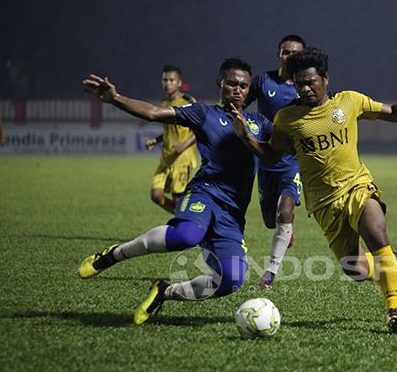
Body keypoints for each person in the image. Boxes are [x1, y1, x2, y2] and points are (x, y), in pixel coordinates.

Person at [233, 47, 397, 333]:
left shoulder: (350, 101)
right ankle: (391, 267)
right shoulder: (287, 119)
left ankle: (394, 311)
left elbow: (395, 112)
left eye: (310, 81)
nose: (304, 88)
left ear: (325, 79)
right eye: (299, 83)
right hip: (324, 203)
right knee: (356, 270)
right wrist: (246, 137)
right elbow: (271, 156)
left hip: (357, 186)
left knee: (377, 235)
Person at [78, 58, 270, 325]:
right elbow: (154, 113)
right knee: (186, 235)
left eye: (244, 86)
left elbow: (277, 155)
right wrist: (115, 98)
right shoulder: (205, 114)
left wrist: (246, 136)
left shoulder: (260, 124)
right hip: (205, 192)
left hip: (233, 213)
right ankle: (114, 254)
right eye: (232, 84)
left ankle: (164, 292)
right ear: (220, 84)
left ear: (250, 90)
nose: (237, 90)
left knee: (231, 280)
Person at [243, 35, 306, 289]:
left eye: (294, 53)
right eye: (285, 52)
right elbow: (241, 106)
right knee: (271, 222)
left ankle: (270, 272)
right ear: (278, 54)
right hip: (265, 158)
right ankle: (286, 228)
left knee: (284, 211)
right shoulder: (263, 80)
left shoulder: (305, 87)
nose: (289, 56)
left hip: (292, 160)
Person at [144, 65, 198, 214]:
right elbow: (170, 130)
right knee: (156, 195)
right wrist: (157, 140)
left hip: (182, 158)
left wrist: (184, 144)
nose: (167, 83)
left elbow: (199, 129)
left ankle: (182, 223)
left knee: (177, 197)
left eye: (171, 80)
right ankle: (183, 219)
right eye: (164, 80)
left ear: (179, 83)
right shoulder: (163, 104)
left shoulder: (188, 102)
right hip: (167, 156)